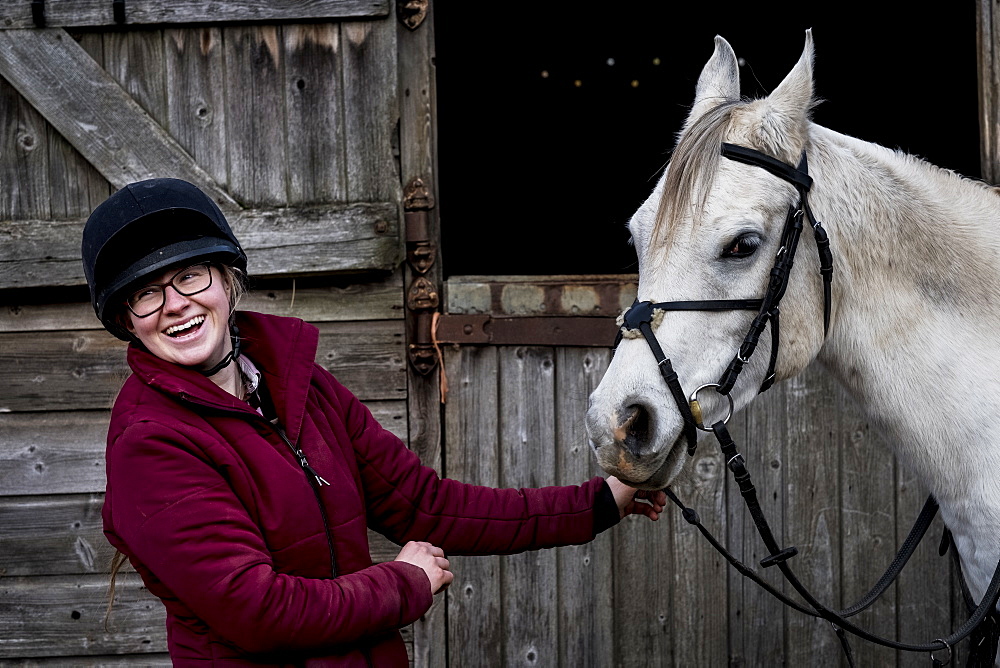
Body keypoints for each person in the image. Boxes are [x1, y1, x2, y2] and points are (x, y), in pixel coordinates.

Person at [82, 177, 666, 666]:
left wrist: (597, 503)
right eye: (145, 294)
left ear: (228, 281)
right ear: (126, 321)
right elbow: (256, 612)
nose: (175, 304)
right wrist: (403, 584)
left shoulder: (295, 385)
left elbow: (425, 504)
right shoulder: (152, 444)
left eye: (189, 276)